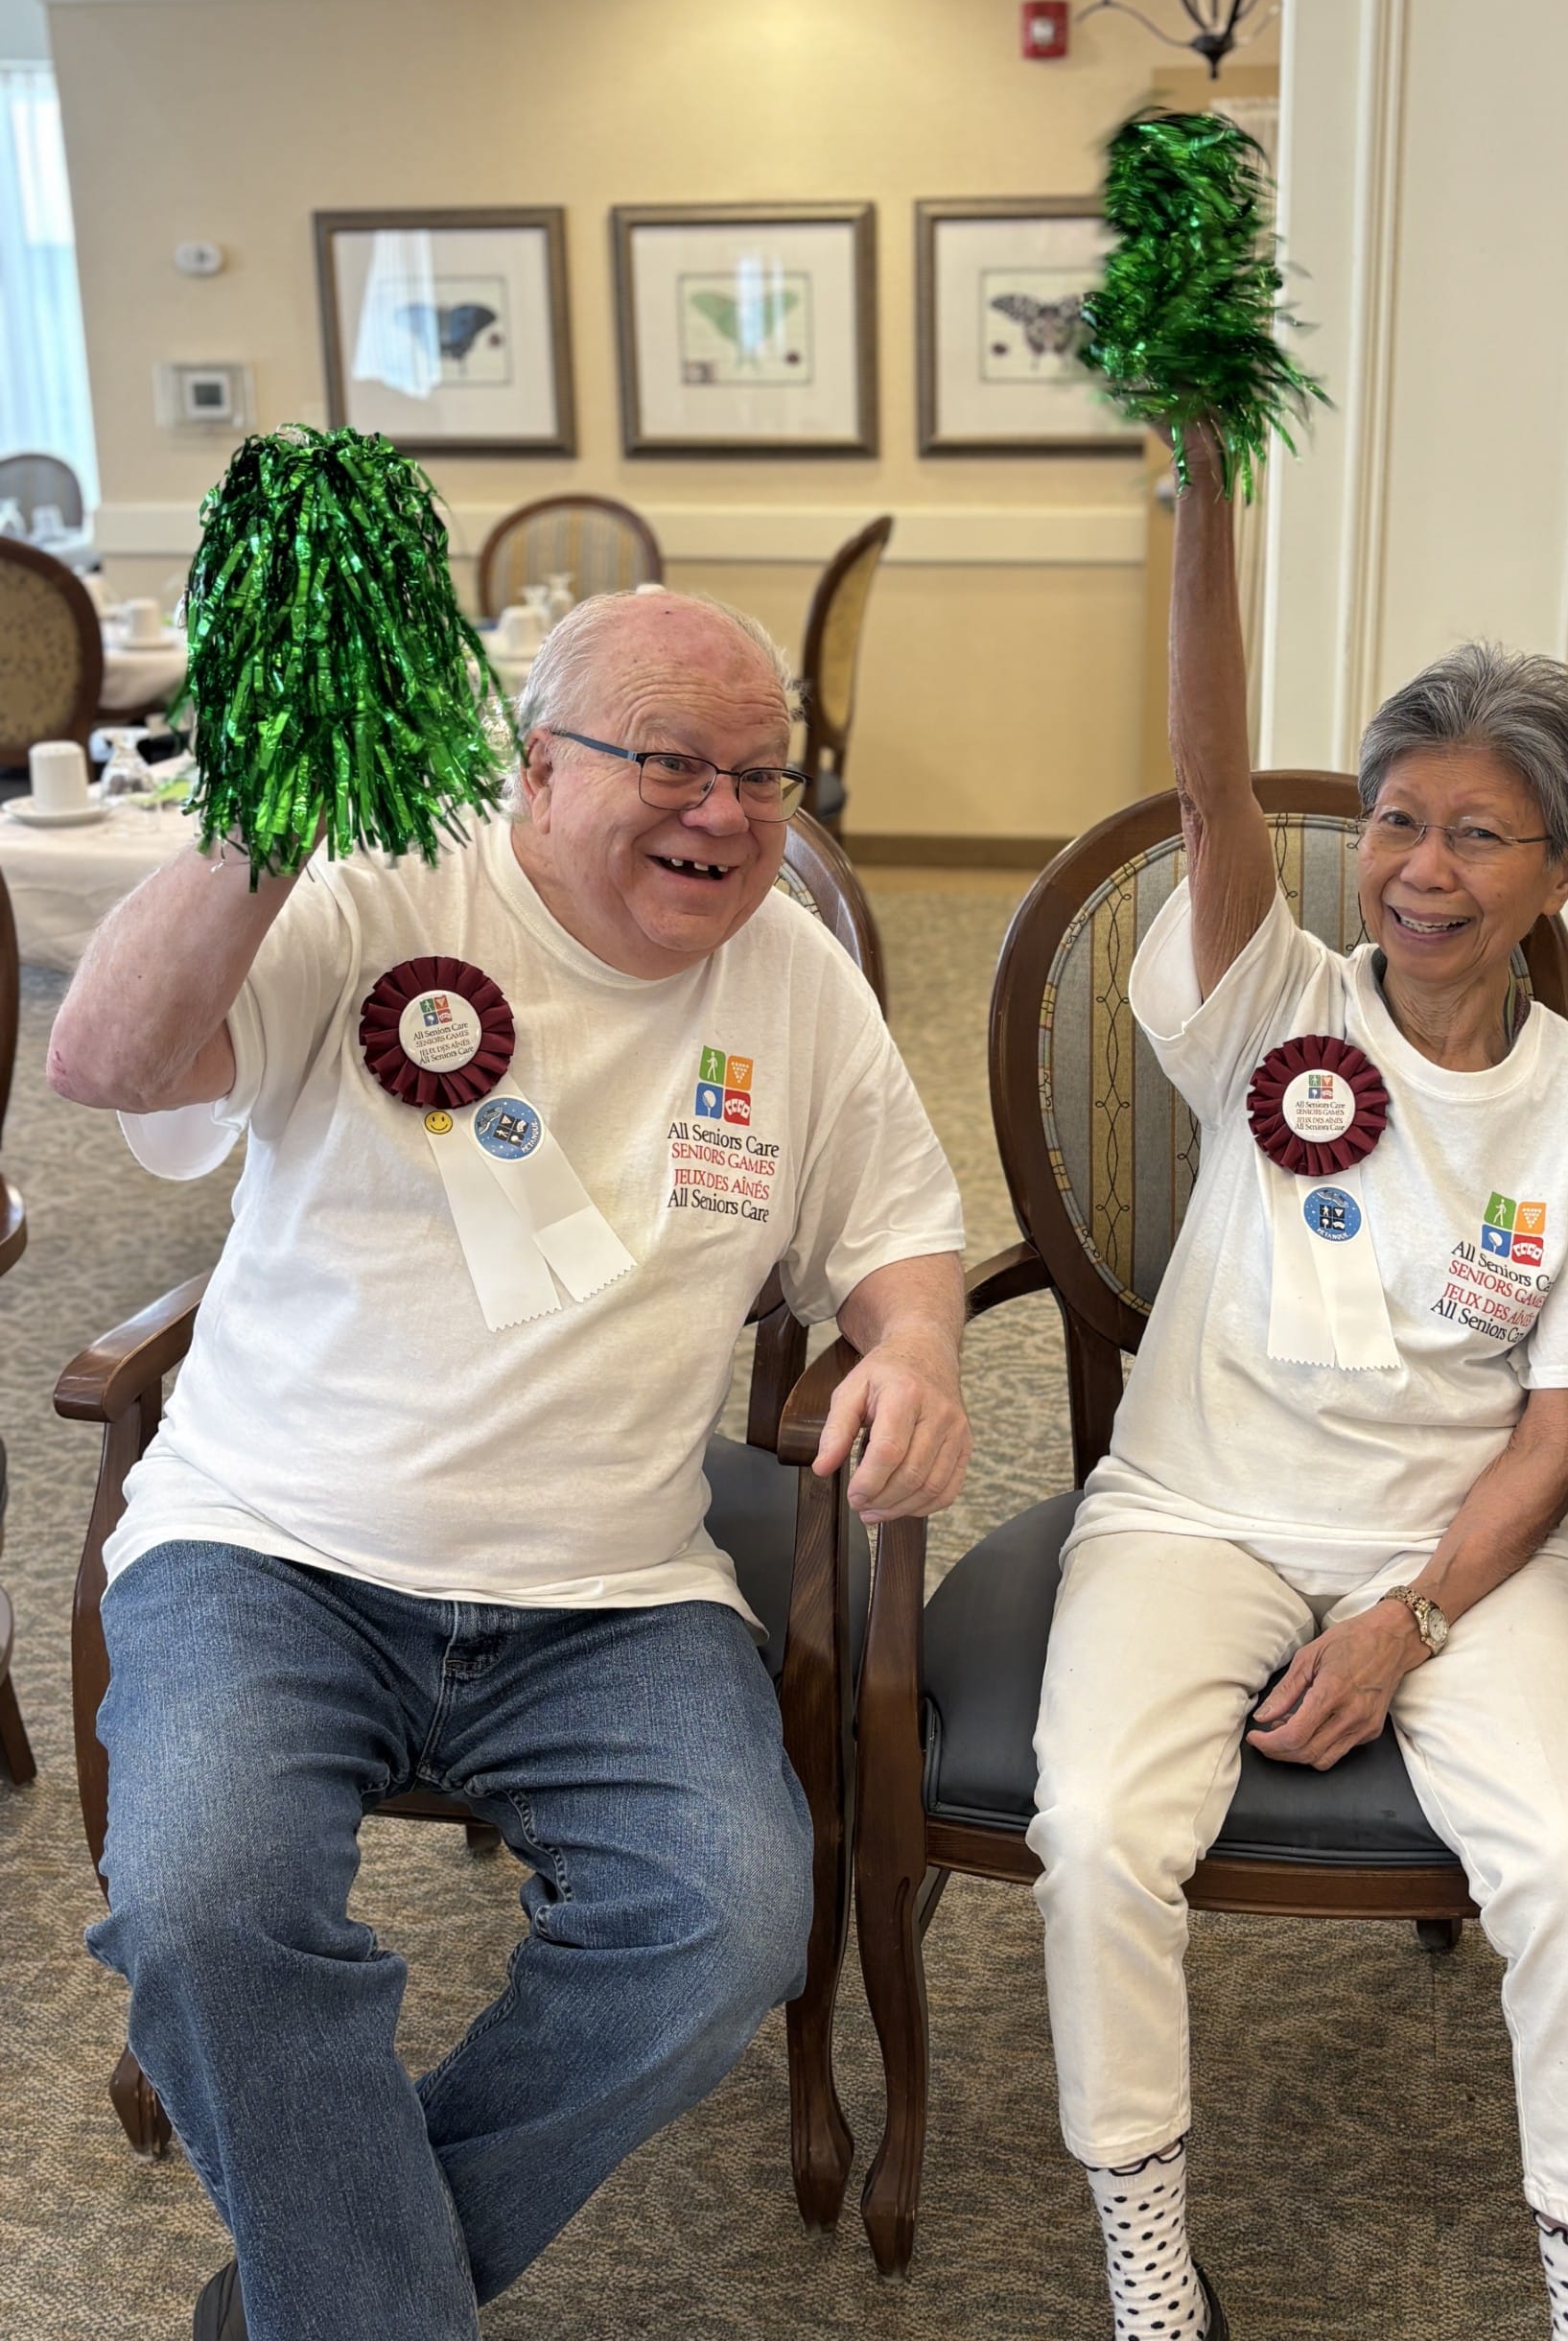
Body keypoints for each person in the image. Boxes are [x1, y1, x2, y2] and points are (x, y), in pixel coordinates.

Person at [48, 589, 971, 2341]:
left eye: (763, 776)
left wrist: (913, 1345)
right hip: (272, 1546)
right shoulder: (375, 883)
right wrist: (263, 832)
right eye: (675, 766)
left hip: (610, 1588)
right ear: (537, 769)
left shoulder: (794, 975)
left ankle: (312, 2305)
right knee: (203, 1899)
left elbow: (899, 1235)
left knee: (724, 1923)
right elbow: (105, 1063)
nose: (727, 815)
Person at [1026, 426, 1568, 2341]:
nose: (1421, 868)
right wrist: (1209, 496)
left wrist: (1409, 1615)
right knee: (1096, 1829)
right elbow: (1208, 776)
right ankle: (1151, 2259)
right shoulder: (1274, 997)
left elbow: (1563, 1428)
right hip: (1190, 1509)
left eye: (1480, 832)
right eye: (1400, 819)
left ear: (1558, 866)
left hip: (1451, 1541)